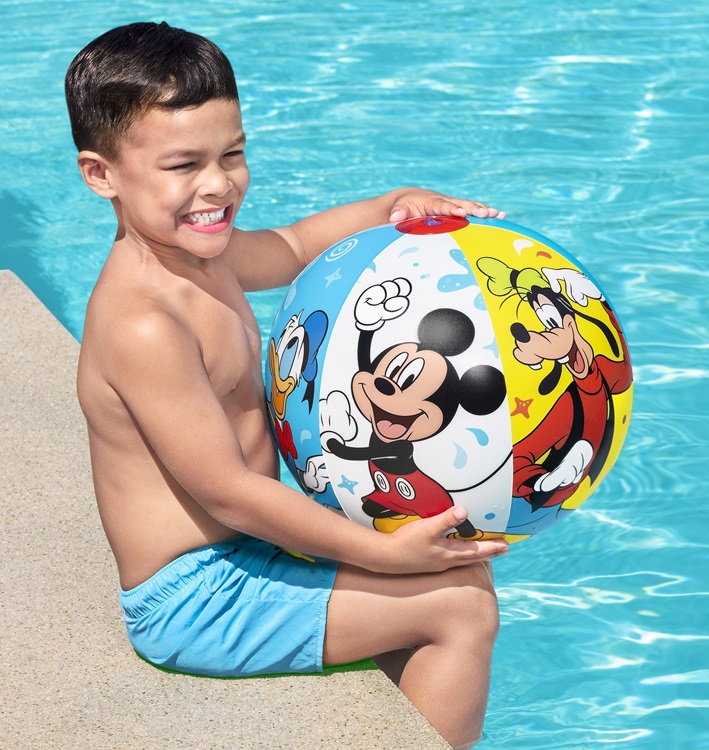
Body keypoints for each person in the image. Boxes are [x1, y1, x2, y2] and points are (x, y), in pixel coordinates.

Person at [66, 22, 509, 749]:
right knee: (461, 605)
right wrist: (382, 557)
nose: (217, 185)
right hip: (194, 599)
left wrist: (391, 207)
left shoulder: (206, 258)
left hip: (250, 554)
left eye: (232, 154)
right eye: (183, 165)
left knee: (435, 551)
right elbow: (227, 492)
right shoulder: (143, 323)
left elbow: (300, 246)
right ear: (101, 174)